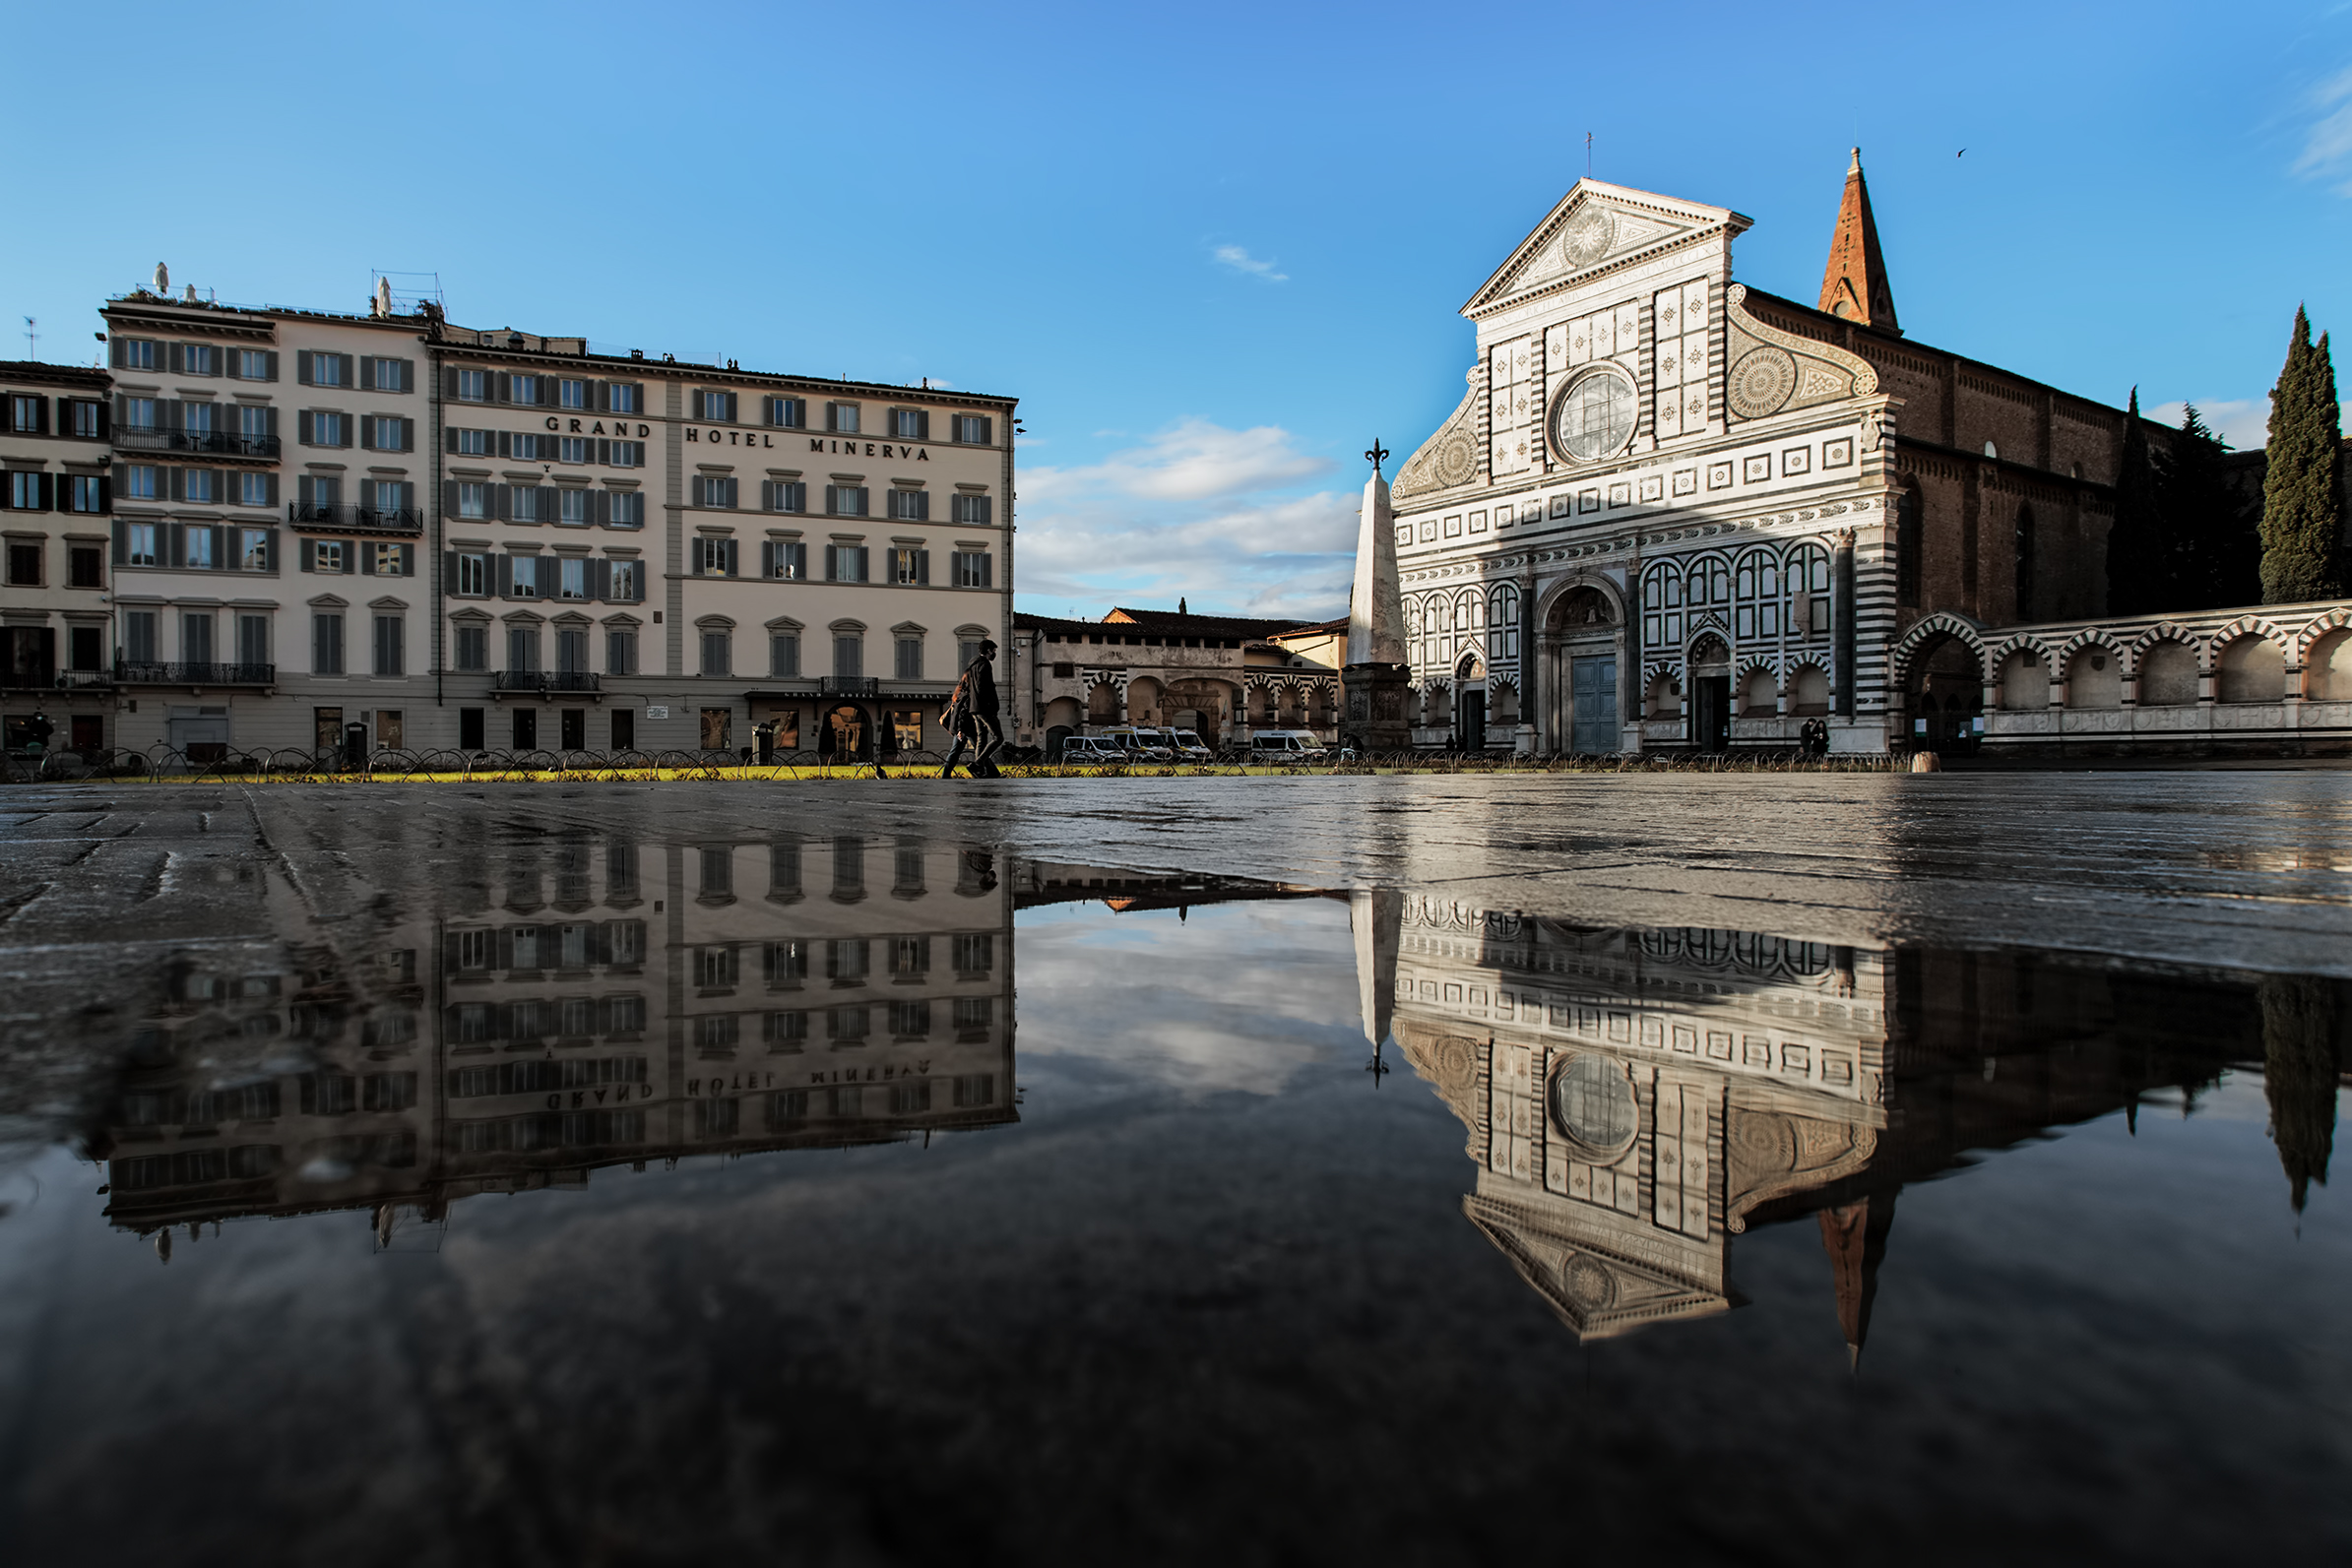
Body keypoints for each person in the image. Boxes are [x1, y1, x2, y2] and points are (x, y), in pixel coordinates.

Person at [940, 640, 1003, 778]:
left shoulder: (971, 669)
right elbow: (982, 689)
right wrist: (961, 729)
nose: (994, 654)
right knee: (996, 738)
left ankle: (985, 771)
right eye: (993, 651)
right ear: (988, 651)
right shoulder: (983, 667)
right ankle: (979, 767)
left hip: (973, 714)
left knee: (977, 743)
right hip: (976, 716)